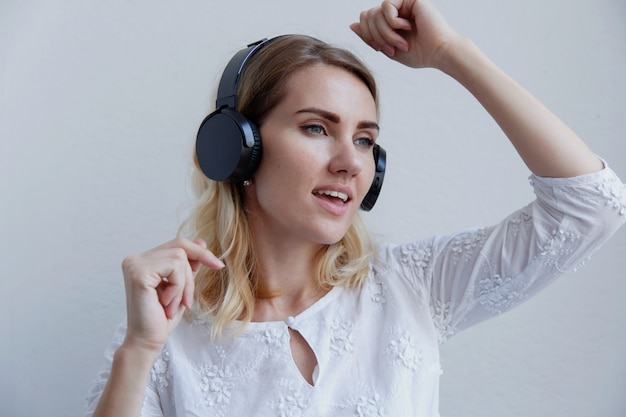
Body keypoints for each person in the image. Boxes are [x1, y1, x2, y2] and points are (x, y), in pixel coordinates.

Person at [85, 1, 626, 416]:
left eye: (366, 140)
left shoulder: (412, 287)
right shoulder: (163, 331)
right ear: (238, 147)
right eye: (317, 128)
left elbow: (592, 207)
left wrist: (450, 54)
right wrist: (138, 349)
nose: (351, 162)